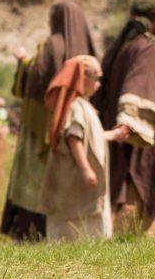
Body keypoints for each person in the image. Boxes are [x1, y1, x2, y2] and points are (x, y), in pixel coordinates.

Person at [1, 0, 97, 241]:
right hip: (75, 125)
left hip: (42, 129)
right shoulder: (88, 49)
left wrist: (23, 62)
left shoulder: (51, 45)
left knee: (35, 182)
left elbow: (35, 80)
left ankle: (31, 232)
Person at [95, 0, 155, 236]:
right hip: (137, 133)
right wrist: (130, 123)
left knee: (124, 179)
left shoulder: (124, 46)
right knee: (135, 179)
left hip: (120, 126)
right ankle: (126, 241)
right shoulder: (149, 48)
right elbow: (138, 83)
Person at [42, 55, 126, 241]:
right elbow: (74, 138)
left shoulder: (83, 107)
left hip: (80, 179)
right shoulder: (76, 107)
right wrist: (86, 169)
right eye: (96, 78)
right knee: (77, 221)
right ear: (83, 78)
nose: (98, 84)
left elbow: (89, 137)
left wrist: (113, 135)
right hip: (74, 177)